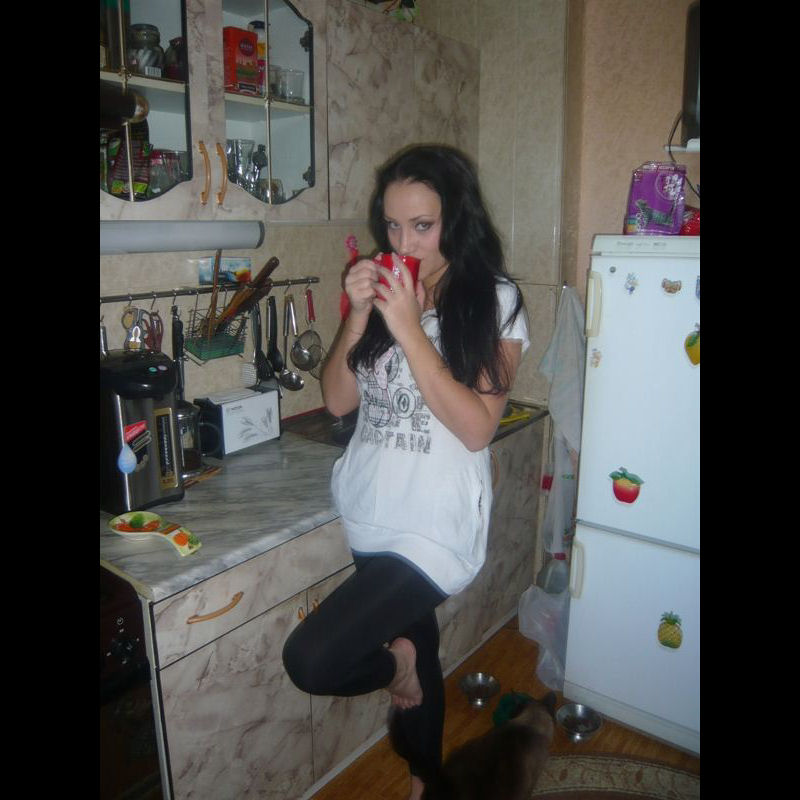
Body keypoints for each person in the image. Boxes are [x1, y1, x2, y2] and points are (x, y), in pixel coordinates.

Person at [282, 144, 530, 800]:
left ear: (457, 219)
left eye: (422, 225)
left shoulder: (496, 301)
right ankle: (426, 782)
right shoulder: (390, 288)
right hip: (371, 509)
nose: (403, 243)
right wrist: (360, 313)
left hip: (435, 527)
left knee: (313, 659)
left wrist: (411, 328)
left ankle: (399, 669)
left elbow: (476, 427)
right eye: (392, 226)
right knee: (420, 645)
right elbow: (338, 400)